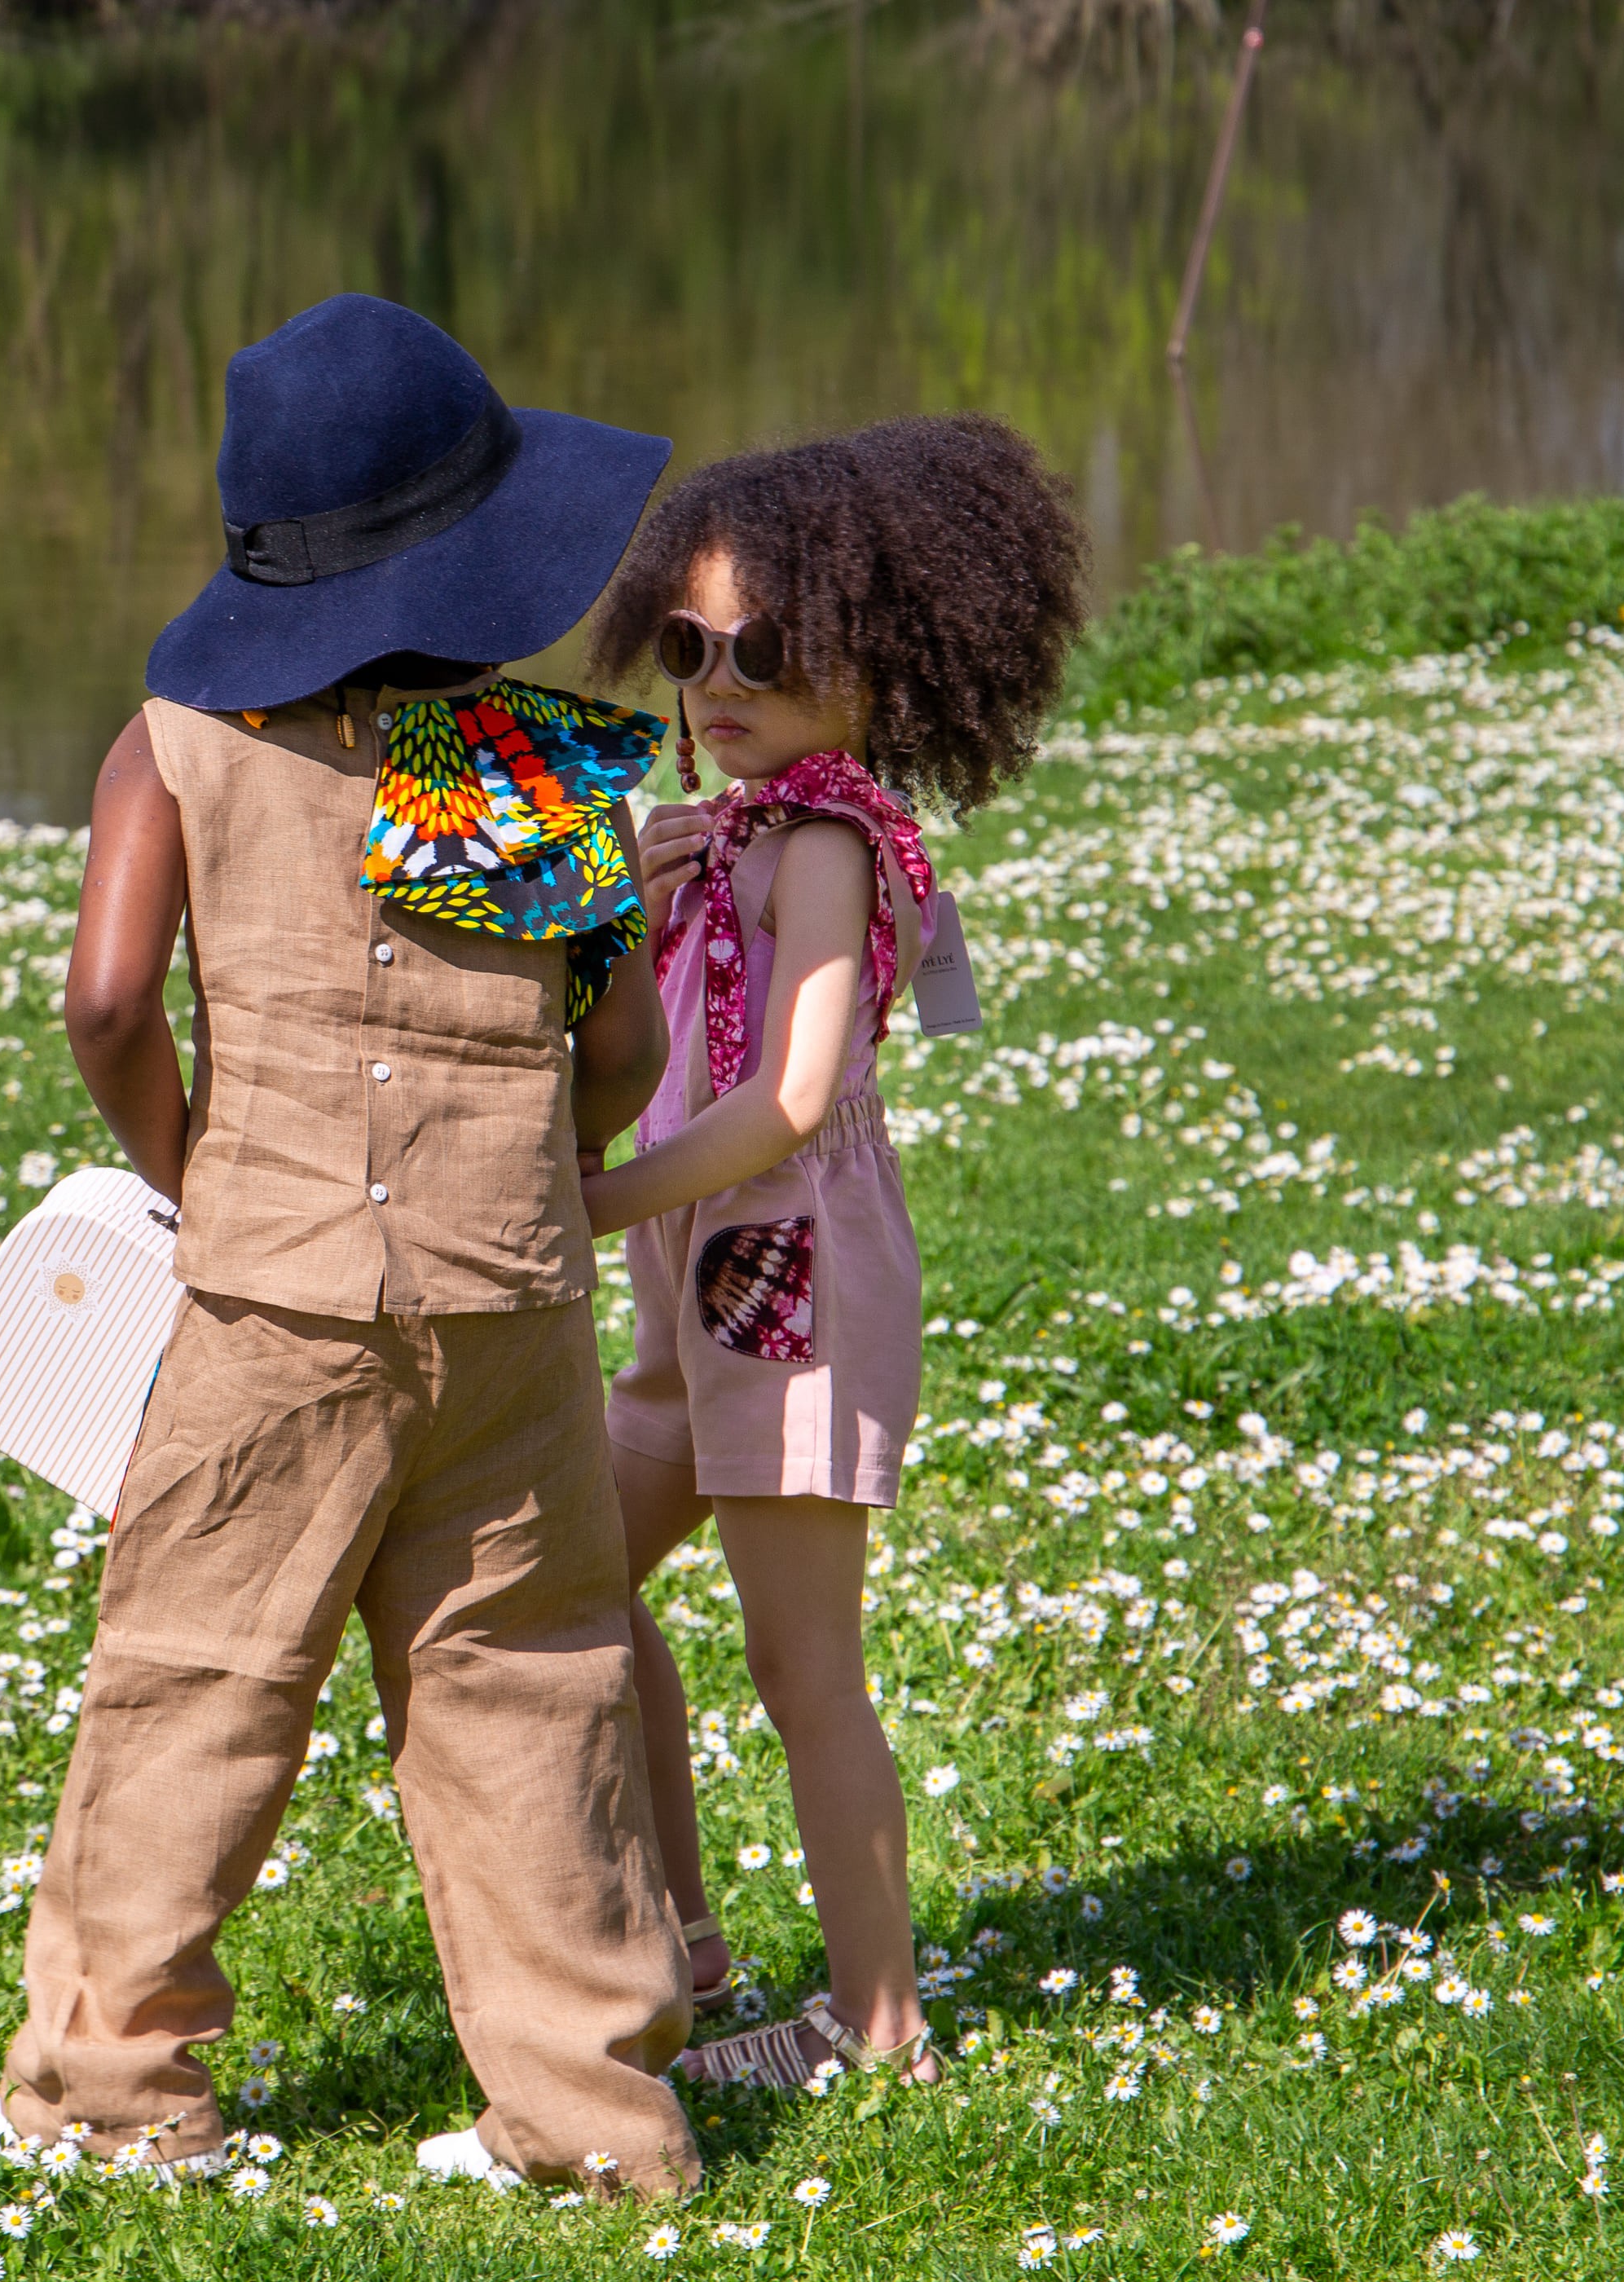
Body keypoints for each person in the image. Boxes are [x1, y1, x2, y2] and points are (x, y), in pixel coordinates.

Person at [0, 293, 702, 2198]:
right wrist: (537, 1155)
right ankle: (596, 2118)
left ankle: (115, 2095)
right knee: (532, 1677)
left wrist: (197, 1167)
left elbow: (109, 998)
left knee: (197, 1671)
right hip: (510, 1300)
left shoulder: (182, 742)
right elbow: (622, 1047)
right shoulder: (530, 756)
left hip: (272, 1297)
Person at [576, 416, 1089, 2089]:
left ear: (876, 662)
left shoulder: (822, 844)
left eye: (767, 652)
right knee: (560, 1577)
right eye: (689, 646)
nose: (718, 684)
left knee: (808, 1671)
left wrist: (588, 1202)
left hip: (783, 1274)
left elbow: (791, 1100)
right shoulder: (711, 832)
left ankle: (879, 2027)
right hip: (691, 1291)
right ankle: (680, 1942)